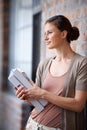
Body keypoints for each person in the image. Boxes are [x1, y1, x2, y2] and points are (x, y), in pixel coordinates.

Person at [14, 15, 87, 130]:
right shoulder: (44, 64)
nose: (45, 38)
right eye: (44, 33)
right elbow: (39, 101)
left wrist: (43, 93)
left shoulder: (82, 64)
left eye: (50, 33)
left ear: (63, 34)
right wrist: (26, 97)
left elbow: (78, 105)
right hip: (32, 124)